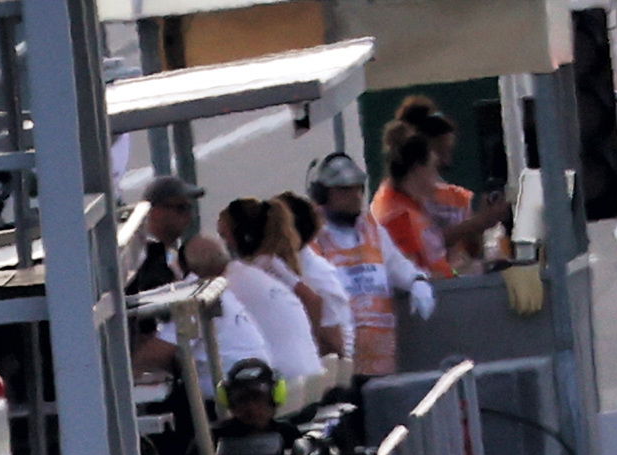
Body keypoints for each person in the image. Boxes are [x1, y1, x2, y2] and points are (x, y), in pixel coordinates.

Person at [299, 153, 431, 387]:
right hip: (340, 366)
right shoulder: (313, 238)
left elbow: (395, 263)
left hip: (381, 362)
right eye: (344, 190)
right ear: (323, 195)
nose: (355, 197)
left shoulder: (371, 228)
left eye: (358, 189)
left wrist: (416, 280)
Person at [211, 202, 329, 422]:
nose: (224, 244)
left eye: (224, 236)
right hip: (306, 378)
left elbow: (313, 300)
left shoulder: (252, 270)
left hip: (291, 387)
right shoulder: (260, 269)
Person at [375, 98, 498, 287]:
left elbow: (440, 264)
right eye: (434, 167)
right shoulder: (398, 215)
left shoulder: (413, 209)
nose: (437, 177)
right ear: (418, 167)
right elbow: (416, 275)